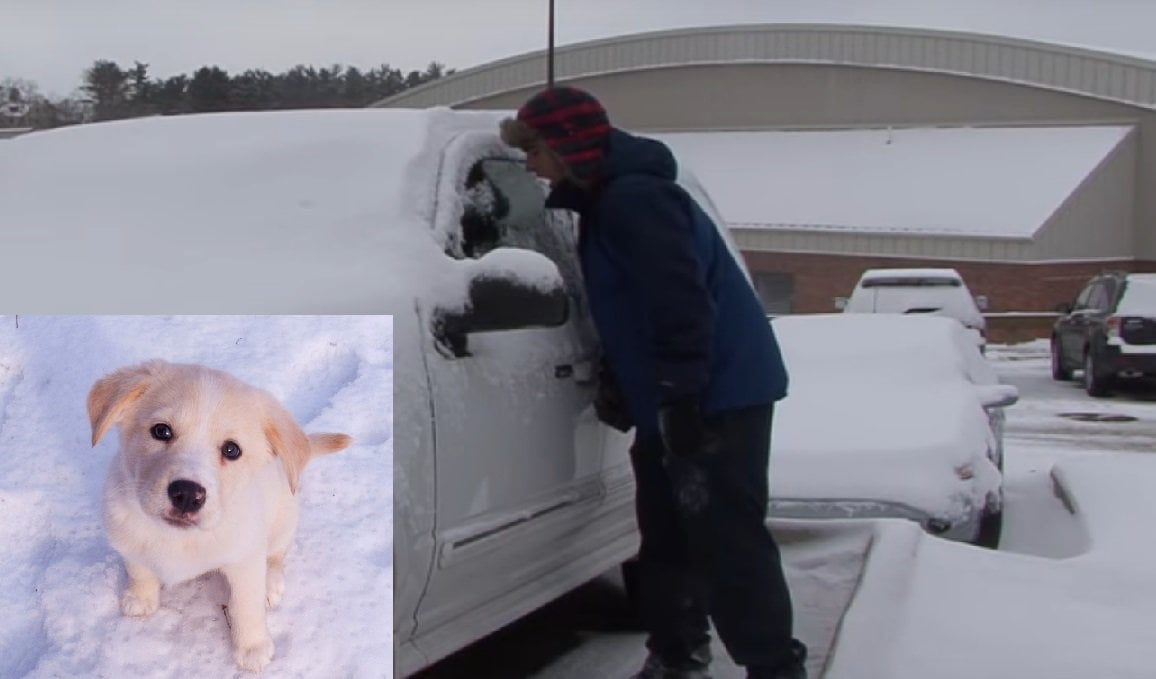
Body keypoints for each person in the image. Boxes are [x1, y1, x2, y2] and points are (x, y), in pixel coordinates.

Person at [500, 86, 808, 679]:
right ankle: (676, 654)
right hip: (674, 397)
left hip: (718, 397)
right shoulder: (604, 199)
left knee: (727, 543)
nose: (532, 168)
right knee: (666, 535)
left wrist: (682, 398)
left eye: (534, 152)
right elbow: (632, 305)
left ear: (566, 146)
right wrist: (630, 381)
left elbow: (681, 304)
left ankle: (775, 667)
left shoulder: (636, 200)